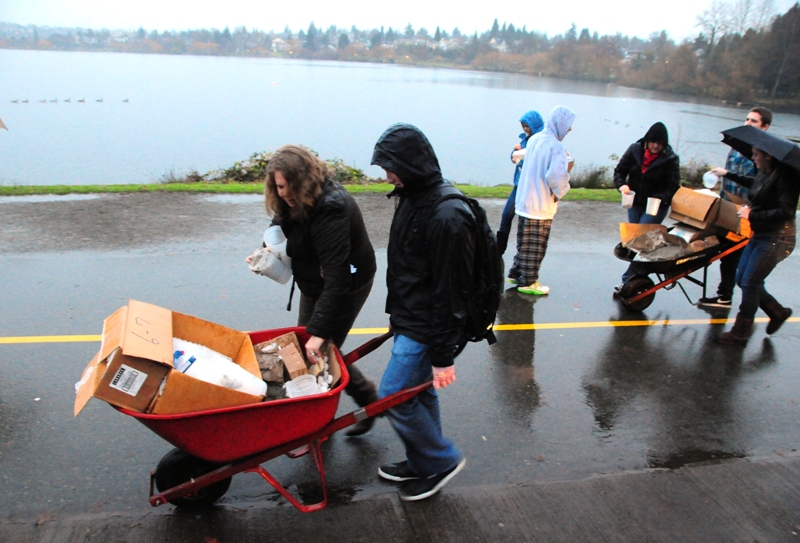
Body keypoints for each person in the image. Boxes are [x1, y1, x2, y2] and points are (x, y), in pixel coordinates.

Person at [370, 123, 473, 501]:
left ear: (410, 163)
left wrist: (443, 357)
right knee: (419, 392)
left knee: (394, 393)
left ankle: (440, 460)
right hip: (410, 318)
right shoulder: (413, 195)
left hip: (426, 326)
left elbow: (452, 293)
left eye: (390, 167)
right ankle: (422, 459)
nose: (386, 175)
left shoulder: (447, 215)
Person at [257, 145, 378, 436]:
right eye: (278, 187)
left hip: (347, 282)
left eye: (287, 187)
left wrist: (320, 332)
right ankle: (365, 399)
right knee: (312, 349)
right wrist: (266, 250)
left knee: (317, 349)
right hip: (315, 280)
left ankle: (315, 425)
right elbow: (281, 223)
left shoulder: (330, 209)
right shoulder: (294, 198)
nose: (283, 193)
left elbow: (338, 278)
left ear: (303, 182)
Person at [714, 145, 798, 344]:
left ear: (768, 155)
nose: (753, 158)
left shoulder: (786, 178)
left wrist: (752, 214)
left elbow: (786, 211)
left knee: (750, 283)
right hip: (760, 234)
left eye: (756, 154)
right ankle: (777, 312)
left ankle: (740, 332)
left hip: (778, 238)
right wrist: (727, 174)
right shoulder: (766, 172)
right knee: (742, 278)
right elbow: (754, 184)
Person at [699, 107, 772, 309]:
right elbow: (730, 174)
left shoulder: (763, 152)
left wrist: (728, 175)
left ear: (765, 127)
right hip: (728, 205)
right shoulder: (738, 145)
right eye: (746, 119)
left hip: (747, 210)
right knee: (727, 255)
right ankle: (725, 295)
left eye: (754, 121)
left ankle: (769, 306)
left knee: (741, 261)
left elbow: (759, 184)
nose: (747, 123)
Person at [507, 105, 576, 296]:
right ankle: (528, 281)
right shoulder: (557, 147)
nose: (570, 129)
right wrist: (562, 190)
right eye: (568, 125)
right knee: (535, 244)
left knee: (524, 241)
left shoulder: (536, 139)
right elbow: (556, 177)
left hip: (524, 200)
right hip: (539, 203)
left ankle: (517, 272)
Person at [613, 122, 680, 291]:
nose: (656, 146)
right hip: (635, 202)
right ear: (647, 141)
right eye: (653, 142)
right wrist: (622, 186)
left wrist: (660, 198)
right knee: (634, 241)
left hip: (655, 206)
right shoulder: (634, 150)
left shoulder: (671, 159)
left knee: (642, 241)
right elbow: (620, 171)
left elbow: (673, 187)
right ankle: (638, 277)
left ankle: (628, 280)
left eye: (660, 143)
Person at [496, 110, 545, 254]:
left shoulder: (541, 141)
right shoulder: (525, 139)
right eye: (523, 126)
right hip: (518, 185)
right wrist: (514, 153)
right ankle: (499, 249)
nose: (525, 129)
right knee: (506, 215)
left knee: (525, 223)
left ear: (534, 125)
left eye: (527, 126)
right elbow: (515, 157)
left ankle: (522, 253)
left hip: (531, 188)